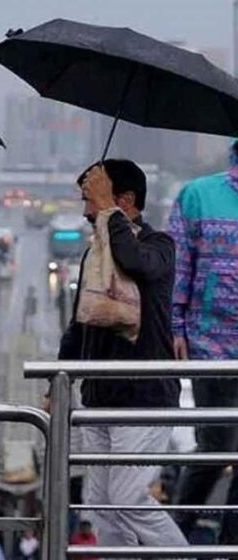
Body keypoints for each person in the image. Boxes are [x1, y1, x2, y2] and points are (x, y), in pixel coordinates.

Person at [59, 159, 185, 548]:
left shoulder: (158, 245)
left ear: (125, 200)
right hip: (99, 399)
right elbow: (80, 325)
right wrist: (59, 379)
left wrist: (109, 213)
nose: (85, 212)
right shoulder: (94, 255)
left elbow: (135, 263)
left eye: (91, 199)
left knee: (129, 498)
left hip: (144, 397)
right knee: (99, 504)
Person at [170, 140, 238, 543]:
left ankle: (231, 542)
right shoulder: (198, 195)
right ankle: (175, 534)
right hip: (210, 343)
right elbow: (179, 266)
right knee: (215, 449)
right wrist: (176, 326)